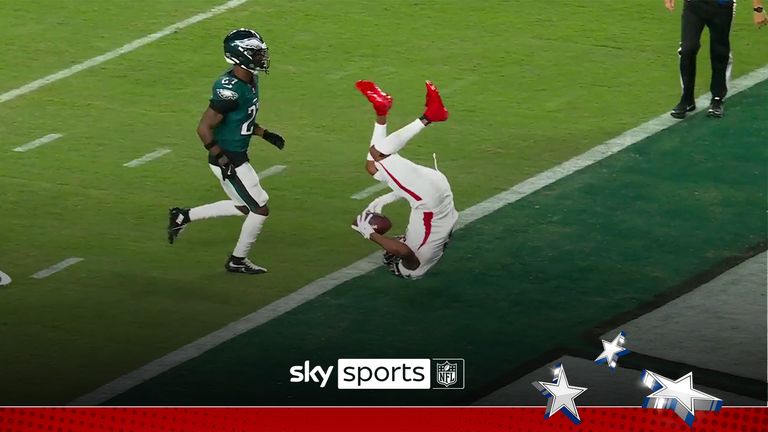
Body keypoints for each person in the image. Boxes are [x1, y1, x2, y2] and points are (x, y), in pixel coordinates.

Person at [167, 28, 285, 275]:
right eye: (255, 53)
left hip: (235, 154)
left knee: (244, 207)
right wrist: (222, 159)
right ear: (239, 55)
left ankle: (183, 216)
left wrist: (265, 134)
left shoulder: (251, 80)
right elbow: (204, 128)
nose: (261, 57)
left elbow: (241, 120)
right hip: (229, 157)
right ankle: (237, 260)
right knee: (260, 209)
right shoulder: (229, 89)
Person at [350, 80, 458, 280]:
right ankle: (430, 116)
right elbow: (404, 253)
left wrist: (389, 197)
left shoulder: (426, 245)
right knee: (380, 154)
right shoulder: (413, 268)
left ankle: (381, 110)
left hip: (439, 189)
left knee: (372, 167)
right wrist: (370, 234)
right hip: (429, 200)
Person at [667, 0, 766, 119]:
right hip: (693, 5)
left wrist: (758, 8)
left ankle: (717, 98)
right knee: (687, 48)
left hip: (722, 6)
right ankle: (687, 98)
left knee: (720, 51)